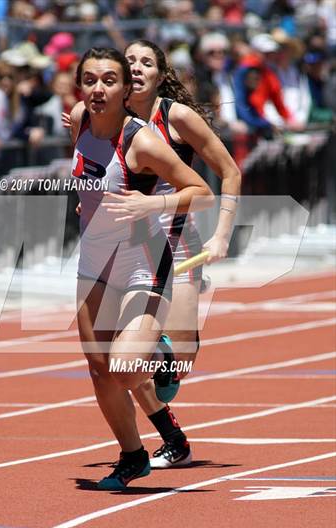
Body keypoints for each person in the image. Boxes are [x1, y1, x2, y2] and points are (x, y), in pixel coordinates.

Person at [70, 47, 214, 490]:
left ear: (125, 88)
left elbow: (203, 190)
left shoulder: (142, 141)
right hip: (95, 261)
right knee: (99, 370)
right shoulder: (78, 121)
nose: (98, 89)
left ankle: (162, 352)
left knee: (125, 367)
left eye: (109, 80)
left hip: (141, 262)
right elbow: (89, 172)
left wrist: (154, 202)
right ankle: (133, 456)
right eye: (90, 79)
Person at [123, 39, 241, 467]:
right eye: (130, 60)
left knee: (178, 362)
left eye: (146, 62)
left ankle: (165, 353)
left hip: (178, 243)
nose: (136, 67)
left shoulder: (176, 117)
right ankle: (173, 437)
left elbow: (229, 171)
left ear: (160, 74)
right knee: (124, 361)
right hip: (129, 248)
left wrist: (222, 236)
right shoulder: (105, 119)